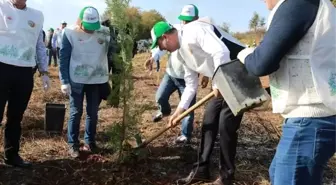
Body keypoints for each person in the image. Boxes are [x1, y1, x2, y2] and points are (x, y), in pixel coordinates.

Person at [237, 0, 336, 184]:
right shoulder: (319, 6)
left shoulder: (297, 4)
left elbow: (260, 64)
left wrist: (244, 54)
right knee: (278, 172)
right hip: (319, 117)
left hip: (309, 120)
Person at [150, 13, 246, 184]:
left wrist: (218, 84)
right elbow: (190, 85)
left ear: (165, 37)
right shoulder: (179, 54)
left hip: (239, 73)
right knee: (208, 122)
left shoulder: (193, 30)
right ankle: (201, 170)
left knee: (226, 126)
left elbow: (221, 52)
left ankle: (226, 177)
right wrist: (179, 111)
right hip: (222, 81)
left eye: (160, 44)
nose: (162, 49)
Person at [0, 0, 50, 167]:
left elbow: (39, 45)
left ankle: (12, 155)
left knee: (16, 116)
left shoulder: (37, 15)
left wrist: (44, 71)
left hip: (24, 71)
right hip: (2, 67)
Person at [59, 6, 111, 158]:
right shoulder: (70, 33)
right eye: (87, 27)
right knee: (76, 111)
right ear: (80, 22)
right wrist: (64, 81)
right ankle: (73, 144)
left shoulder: (104, 32)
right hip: (76, 79)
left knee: (93, 112)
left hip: (95, 79)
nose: (90, 31)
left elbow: (113, 52)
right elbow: (64, 58)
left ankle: (90, 142)